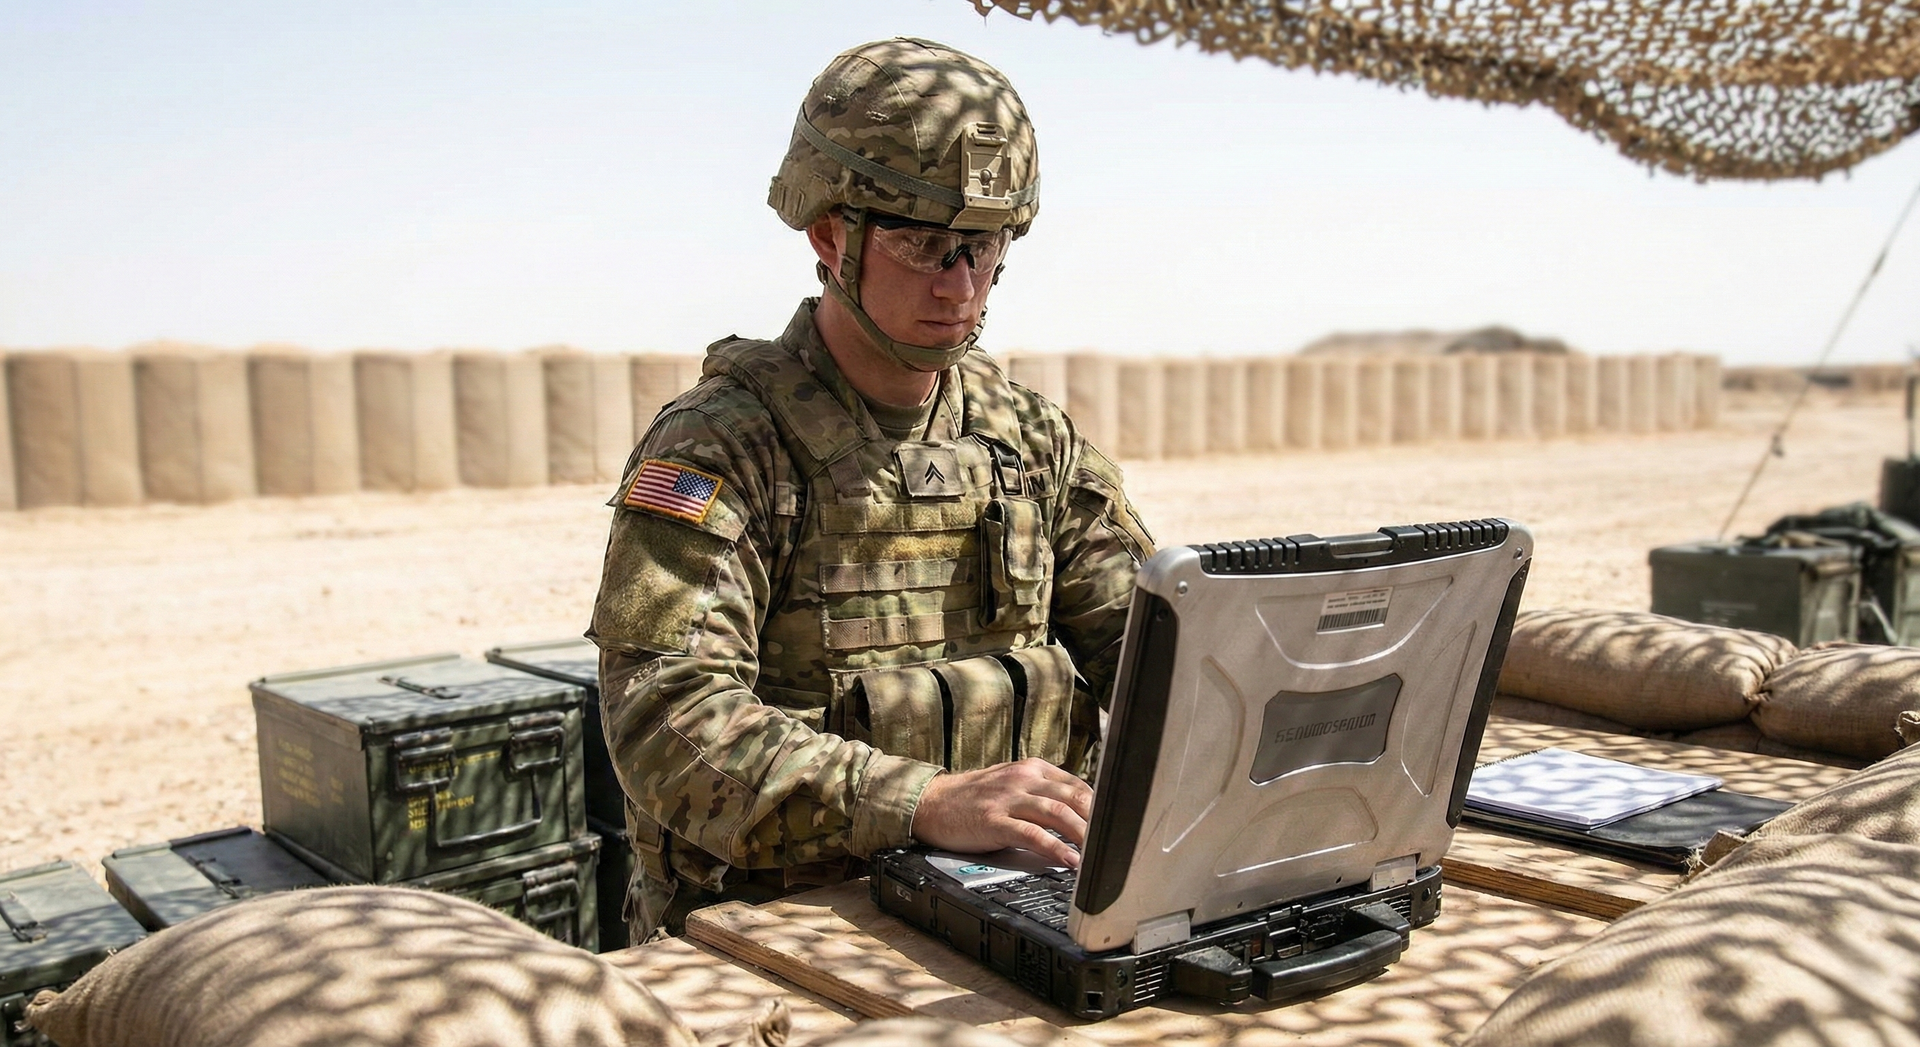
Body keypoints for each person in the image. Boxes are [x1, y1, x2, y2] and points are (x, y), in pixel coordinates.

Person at [588, 36, 1157, 940]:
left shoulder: (1030, 438)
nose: (960, 286)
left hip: (1016, 910)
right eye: (923, 243)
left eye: (983, 247)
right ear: (828, 233)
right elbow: (668, 721)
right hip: (775, 929)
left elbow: (1154, 654)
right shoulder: (722, 446)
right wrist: (920, 798)